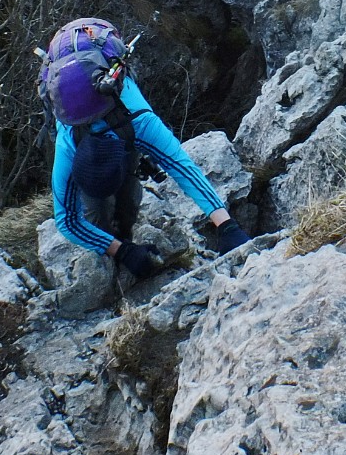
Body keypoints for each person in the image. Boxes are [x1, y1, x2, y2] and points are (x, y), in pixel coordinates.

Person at [38, 17, 250, 279]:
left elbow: (180, 165)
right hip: (80, 109)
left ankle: (124, 230)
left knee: (128, 198)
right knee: (95, 213)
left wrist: (226, 225)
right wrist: (121, 251)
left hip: (120, 121)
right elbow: (66, 220)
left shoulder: (139, 122)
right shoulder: (67, 147)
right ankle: (114, 252)